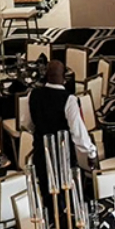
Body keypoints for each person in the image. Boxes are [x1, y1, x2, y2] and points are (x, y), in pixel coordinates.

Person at [21, 59, 97, 194]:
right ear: (64, 78)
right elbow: (78, 133)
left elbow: (27, 124)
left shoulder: (33, 94)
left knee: (47, 194)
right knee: (67, 195)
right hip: (63, 156)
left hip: (41, 153)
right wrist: (91, 152)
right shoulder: (69, 100)